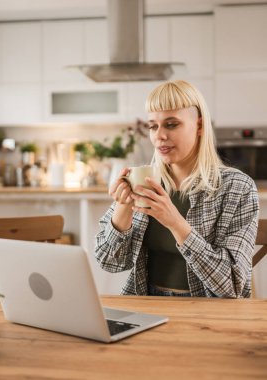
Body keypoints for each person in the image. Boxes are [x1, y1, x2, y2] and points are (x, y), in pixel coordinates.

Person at [94, 80, 259, 298]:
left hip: (207, 311)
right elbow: (110, 263)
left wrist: (176, 223)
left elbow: (231, 285)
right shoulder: (144, 180)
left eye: (171, 124)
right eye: (153, 126)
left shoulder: (237, 187)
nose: (159, 135)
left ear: (200, 126)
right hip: (145, 304)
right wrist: (123, 208)